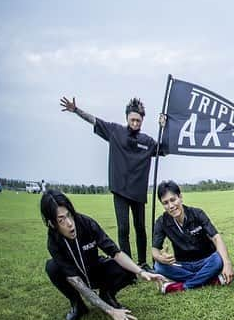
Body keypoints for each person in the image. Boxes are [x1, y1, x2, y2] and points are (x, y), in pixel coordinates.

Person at [59, 96, 167, 269]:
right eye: (132, 119)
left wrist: (164, 126)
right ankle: (129, 267)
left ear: (142, 121)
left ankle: (143, 263)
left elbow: (164, 148)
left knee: (140, 228)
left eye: (138, 120)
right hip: (120, 190)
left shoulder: (147, 142)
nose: (135, 123)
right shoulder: (115, 132)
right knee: (123, 229)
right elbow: (94, 120)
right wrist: (76, 110)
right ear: (127, 118)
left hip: (138, 193)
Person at [41, 189, 164, 320]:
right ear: (52, 223)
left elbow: (116, 253)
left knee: (126, 266)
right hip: (76, 277)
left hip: (94, 269)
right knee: (52, 267)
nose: (70, 223)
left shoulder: (86, 223)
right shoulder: (53, 242)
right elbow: (76, 282)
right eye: (61, 220)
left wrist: (141, 272)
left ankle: (107, 294)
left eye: (69, 215)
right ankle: (78, 305)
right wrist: (111, 311)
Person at [151, 180, 234, 293]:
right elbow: (155, 250)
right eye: (165, 203)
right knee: (159, 267)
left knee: (218, 259)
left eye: (173, 200)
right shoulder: (162, 222)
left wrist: (227, 264)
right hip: (183, 265)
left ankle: (180, 287)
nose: (171, 206)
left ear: (180, 197)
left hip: (206, 260)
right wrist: (160, 257)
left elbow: (216, 237)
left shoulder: (197, 213)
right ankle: (210, 280)